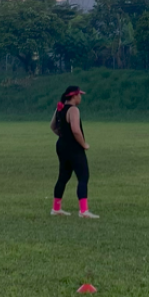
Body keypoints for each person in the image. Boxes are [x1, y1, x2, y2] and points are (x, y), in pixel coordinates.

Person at [50, 85, 97, 218]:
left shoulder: (60, 108)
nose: (80, 97)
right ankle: (83, 211)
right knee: (83, 176)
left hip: (61, 145)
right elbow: (76, 130)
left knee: (63, 177)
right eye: (79, 95)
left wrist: (63, 135)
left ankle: (56, 208)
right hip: (74, 147)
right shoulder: (74, 110)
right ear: (74, 96)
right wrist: (84, 144)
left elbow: (52, 126)